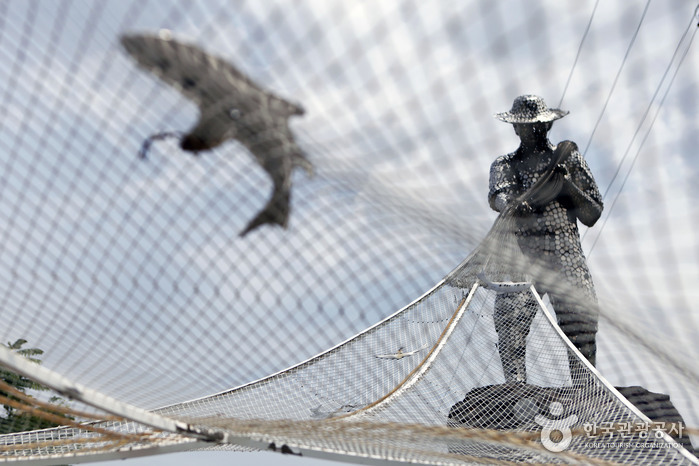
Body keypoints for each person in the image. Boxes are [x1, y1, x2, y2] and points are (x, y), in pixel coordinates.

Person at [488, 95, 603, 384]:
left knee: (582, 325)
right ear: (515, 129)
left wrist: (567, 187)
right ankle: (515, 389)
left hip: (567, 257)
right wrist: (513, 204)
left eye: (539, 125)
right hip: (525, 258)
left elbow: (592, 212)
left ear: (548, 125)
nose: (533, 131)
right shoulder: (506, 164)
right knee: (510, 322)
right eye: (526, 126)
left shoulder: (568, 160)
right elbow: (498, 195)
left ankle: (585, 390)